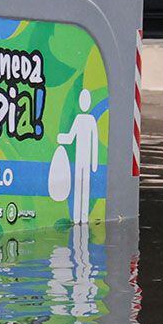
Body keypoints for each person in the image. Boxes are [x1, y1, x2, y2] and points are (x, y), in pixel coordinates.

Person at [55, 89, 100, 226]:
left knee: (84, 187)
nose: (84, 103)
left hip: (86, 160)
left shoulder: (91, 121)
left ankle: (84, 217)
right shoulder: (79, 119)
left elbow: (95, 142)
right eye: (82, 100)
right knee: (78, 187)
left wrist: (94, 163)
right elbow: (70, 137)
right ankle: (76, 218)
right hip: (79, 159)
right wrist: (62, 138)